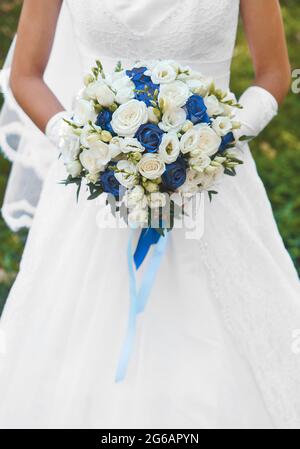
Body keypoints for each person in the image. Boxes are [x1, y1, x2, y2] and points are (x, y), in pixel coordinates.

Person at [0, 0, 299, 429]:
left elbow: (273, 74)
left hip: (215, 190)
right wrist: (89, 150)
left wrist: (213, 141)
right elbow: (25, 75)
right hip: (93, 195)